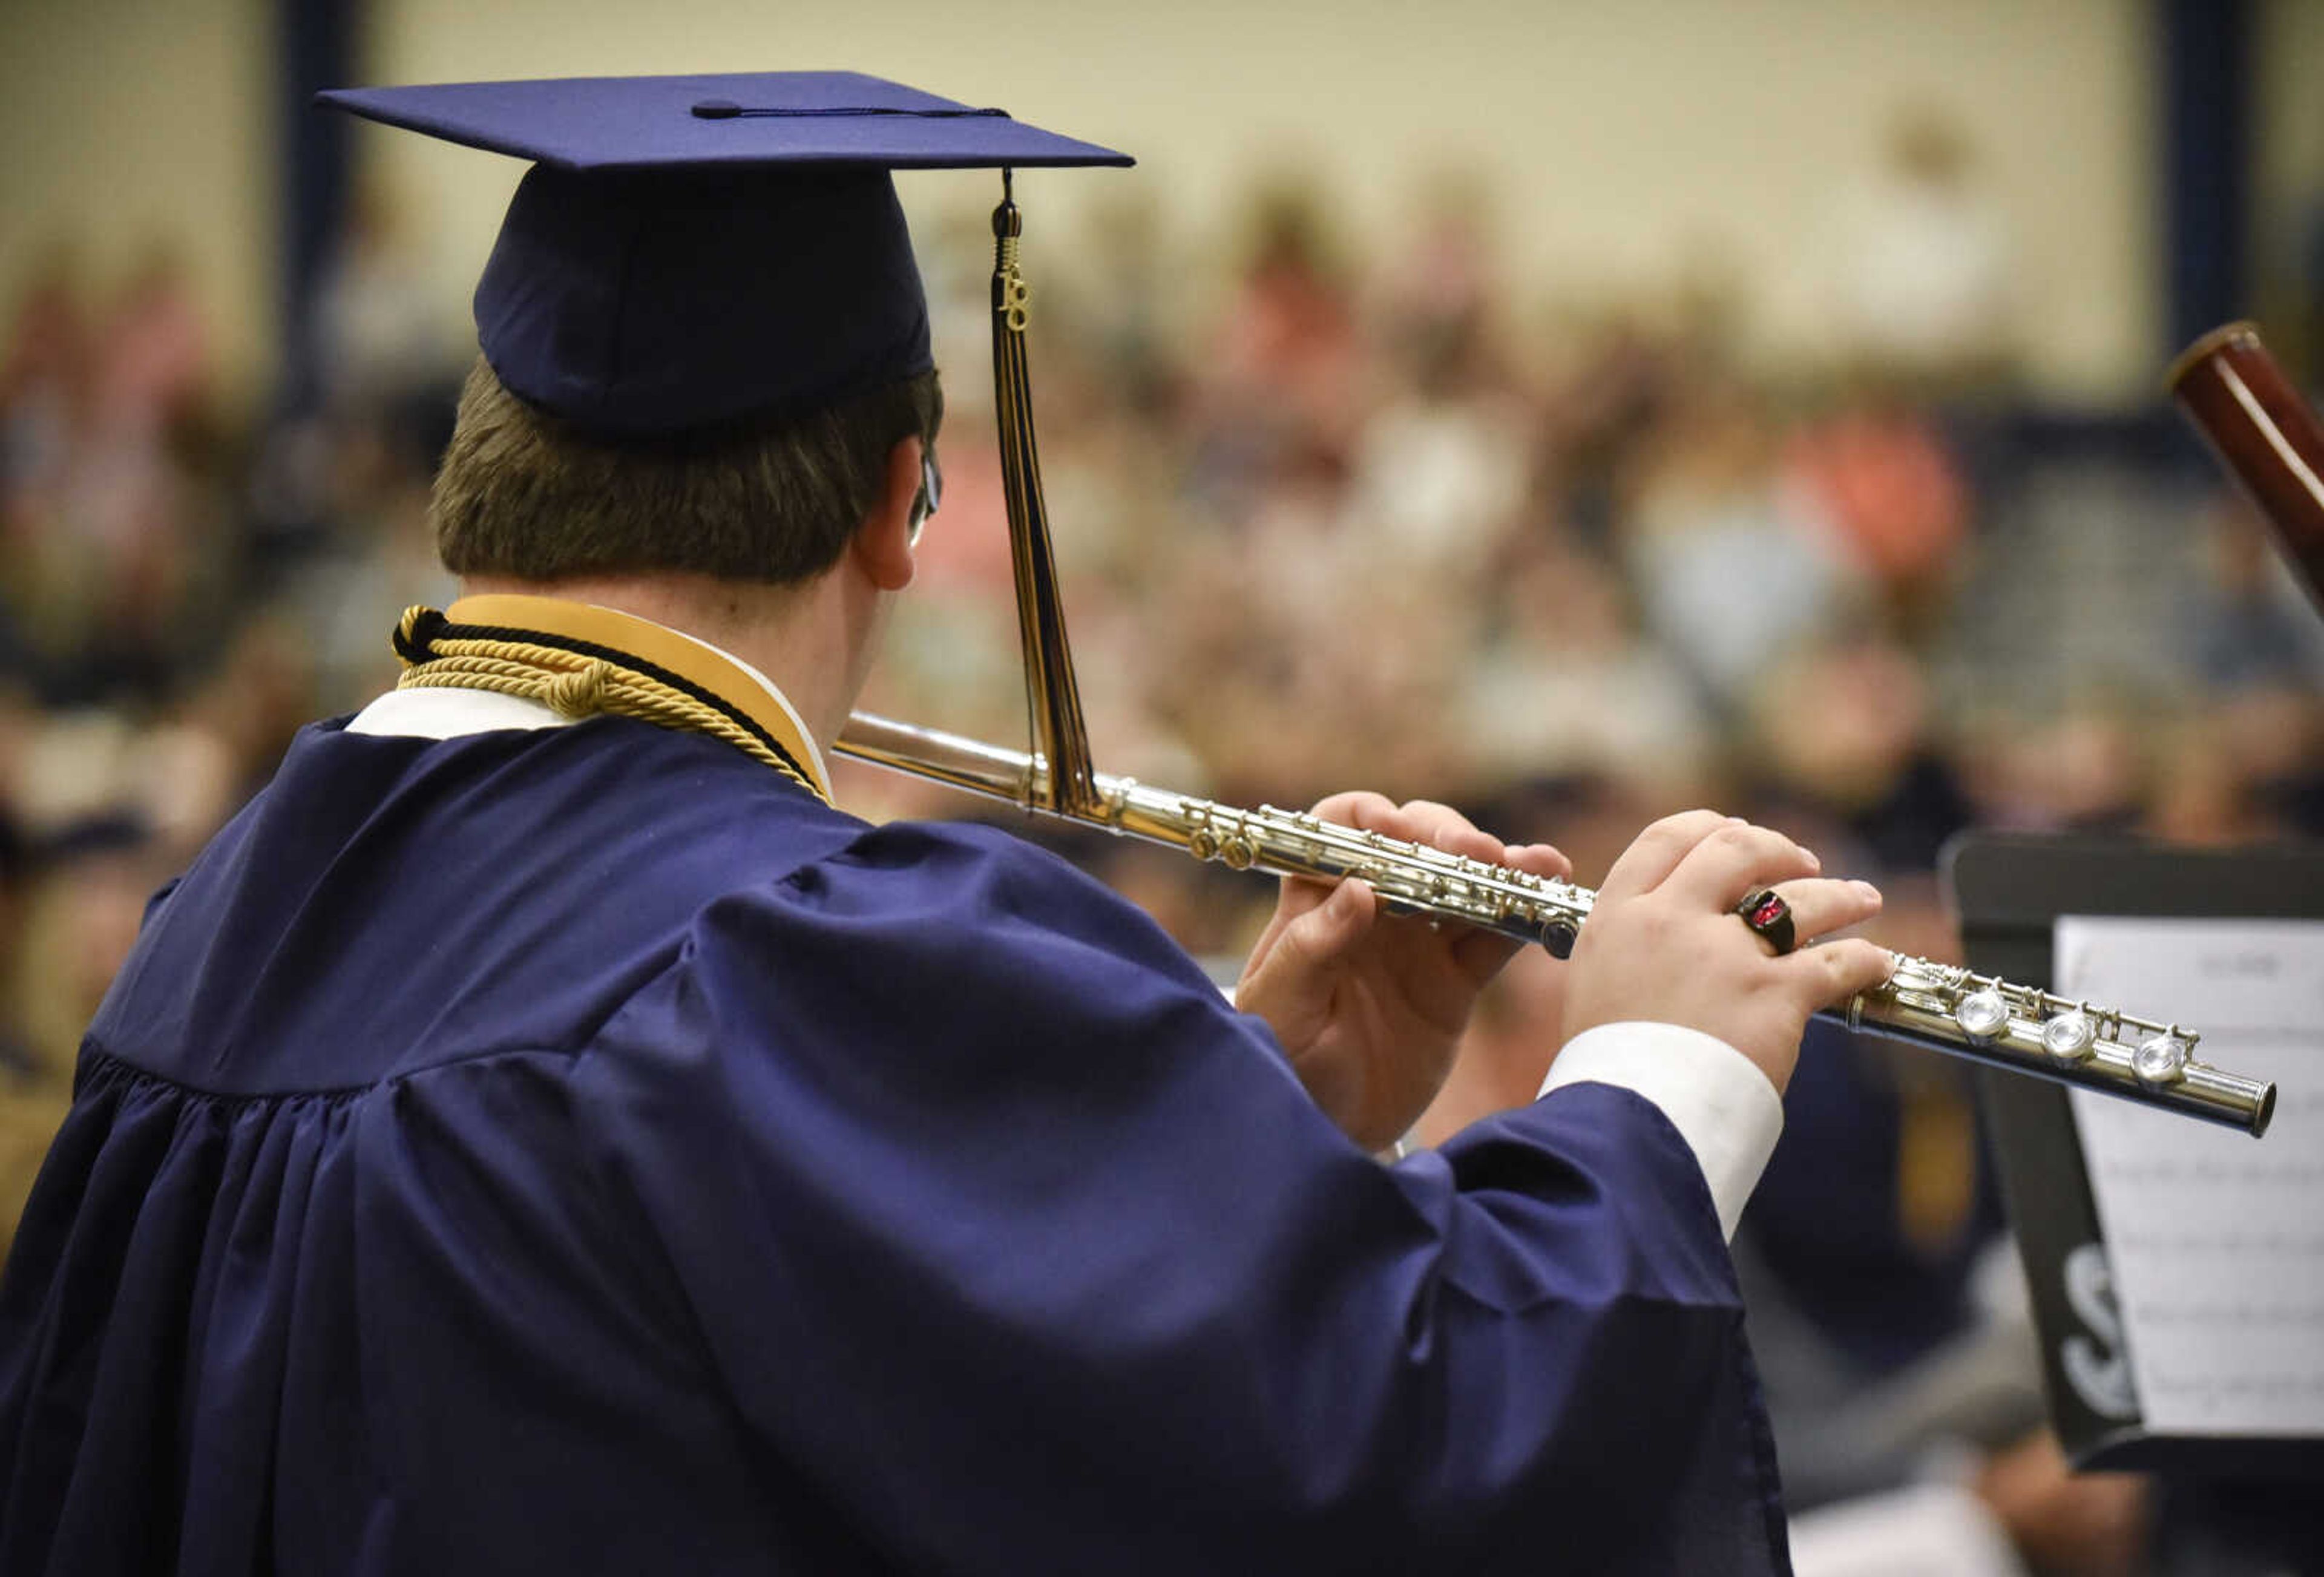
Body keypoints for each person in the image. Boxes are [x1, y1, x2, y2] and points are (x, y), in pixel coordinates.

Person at [0, 73, 1894, 1575]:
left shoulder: (214, 922)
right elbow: (1404, 1442)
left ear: (478, 480)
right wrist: (1650, 1083)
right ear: (907, 501)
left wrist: (1237, 1122)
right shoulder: (795, 950)